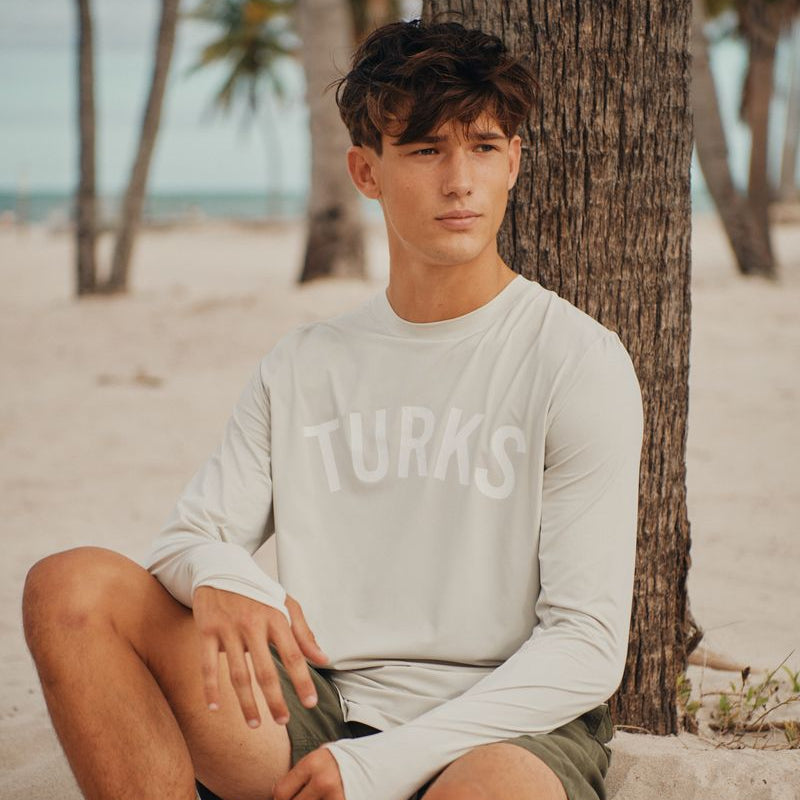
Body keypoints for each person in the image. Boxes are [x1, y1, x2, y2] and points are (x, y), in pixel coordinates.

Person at [22, 18, 643, 800]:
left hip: (505, 725)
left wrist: (377, 766)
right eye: (426, 150)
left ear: (514, 161)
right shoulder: (303, 364)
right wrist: (221, 575)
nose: (461, 182)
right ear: (366, 171)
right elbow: (190, 537)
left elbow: (586, 646)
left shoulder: (576, 361)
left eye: (483, 147)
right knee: (70, 588)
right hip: (323, 703)